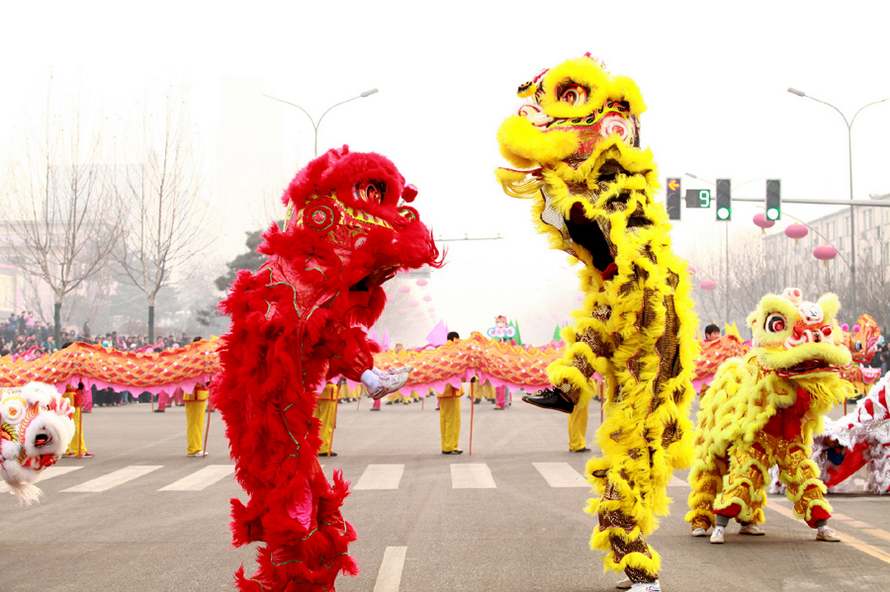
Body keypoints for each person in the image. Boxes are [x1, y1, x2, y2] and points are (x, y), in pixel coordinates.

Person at [438, 331, 463, 455]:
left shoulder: (441, 352)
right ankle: (450, 446)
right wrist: (470, 378)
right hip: (451, 391)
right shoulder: (453, 352)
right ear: (454, 339)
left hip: (442, 391)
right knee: (452, 421)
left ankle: (446, 445)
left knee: (445, 420)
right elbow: (458, 371)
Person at [568, 377, 600, 453]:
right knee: (576, 417)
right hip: (576, 388)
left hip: (581, 388)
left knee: (581, 418)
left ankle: (579, 443)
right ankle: (576, 444)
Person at [184, 381, 210, 457]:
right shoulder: (193, 371)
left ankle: (197, 447)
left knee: (198, 424)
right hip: (195, 395)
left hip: (199, 395)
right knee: (194, 424)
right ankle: (194, 449)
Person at [315, 381, 340, 457]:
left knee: (316, 420)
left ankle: (316, 446)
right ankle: (323, 448)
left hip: (316, 391)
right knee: (326, 422)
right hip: (328, 392)